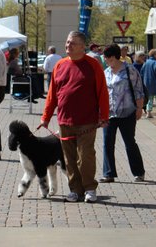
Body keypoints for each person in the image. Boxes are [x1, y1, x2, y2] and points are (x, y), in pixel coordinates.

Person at [39, 31, 109, 203]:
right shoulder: (60, 65)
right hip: (64, 120)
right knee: (69, 159)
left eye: (73, 43)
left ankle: (90, 188)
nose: (68, 45)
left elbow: (102, 92)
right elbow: (52, 94)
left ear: (82, 46)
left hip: (88, 121)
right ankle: (75, 190)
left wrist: (104, 116)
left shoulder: (93, 65)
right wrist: (46, 117)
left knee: (85, 156)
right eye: (67, 42)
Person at [99, 44, 146, 183]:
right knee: (107, 143)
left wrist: (139, 108)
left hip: (127, 112)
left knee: (130, 143)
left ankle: (139, 172)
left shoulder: (129, 70)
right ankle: (109, 173)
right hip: (110, 113)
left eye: (106, 58)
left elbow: (139, 90)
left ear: (113, 57)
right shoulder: (106, 72)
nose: (105, 60)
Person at [140, 49, 156, 118]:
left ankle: (148, 112)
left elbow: (141, 73)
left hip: (146, 83)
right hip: (155, 83)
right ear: (155, 55)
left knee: (149, 98)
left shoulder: (146, 62)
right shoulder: (155, 63)